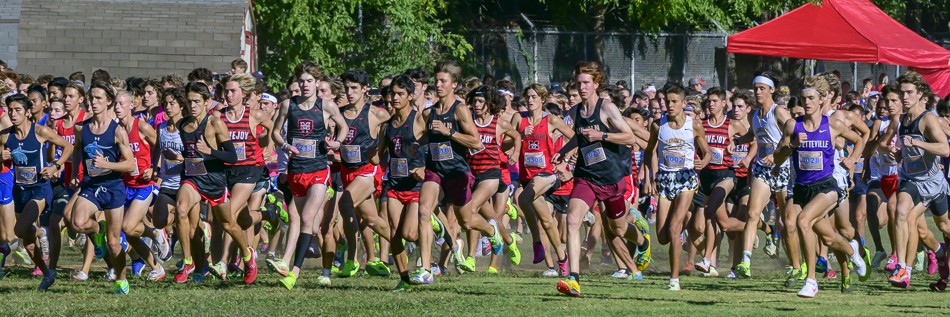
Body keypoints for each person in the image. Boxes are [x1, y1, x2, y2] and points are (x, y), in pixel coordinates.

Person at [772, 75, 868, 297]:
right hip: (802, 189)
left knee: (802, 221)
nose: (806, 103)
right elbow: (777, 157)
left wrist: (853, 159)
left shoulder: (833, 124)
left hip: (827, 187)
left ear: (822, 99)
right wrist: (793, 146)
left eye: (811, 98)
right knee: (829, 237)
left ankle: (811, 281)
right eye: (804, 98)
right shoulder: (792, 125)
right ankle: (852, 251)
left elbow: (860, 140)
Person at [551, 61, 637, 296]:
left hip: (611, 178)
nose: (581, 87)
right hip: (585, 176)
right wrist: (564, 151)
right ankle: (574, 279)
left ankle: (641, 239)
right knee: (572, 219)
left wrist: (603, 134)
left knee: (618, 229)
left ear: (596, 84)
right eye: (578, 83)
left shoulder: (607, 107)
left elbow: (629, 138)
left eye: (586, 83)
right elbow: (579, 137)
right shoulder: (576, 111)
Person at [416, 61, 503, 283]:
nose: (438, 85)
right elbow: (430, 136)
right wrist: (415, 143)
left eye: (443, 81)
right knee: (424, 211)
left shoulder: (461, 109)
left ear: (454, 84)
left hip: (457, 171)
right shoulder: (430, 112)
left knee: (466, 222)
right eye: (436, 81)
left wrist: (450, 133)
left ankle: (492, 233)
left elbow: (475, 141)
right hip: (435, 170)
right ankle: (426, 270)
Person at [269, 61, 348, 287]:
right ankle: (330, 245)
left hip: (318, 170)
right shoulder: (287, 105)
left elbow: (342, 127)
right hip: (296, 171)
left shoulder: (327, 106)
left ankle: (294, 271)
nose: (305, 85)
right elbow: (275, 132)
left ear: (317, 83)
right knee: (311, 225)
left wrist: (336, 143)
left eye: (309, 81)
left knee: (305, 218)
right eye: (301, 81)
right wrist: (285, 147)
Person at [172, 82, 257, 285]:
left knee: (228, 224)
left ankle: (247, 256)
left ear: (207, 102)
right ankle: (187, 261)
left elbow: (232, 156)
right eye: (189, 101)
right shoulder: (182, 125)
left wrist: (210, 151)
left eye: (197, 101)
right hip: (192, 178)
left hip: (215, 181)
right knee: (181, 209)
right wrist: (178, 156)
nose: (192, 105)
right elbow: (190, 153)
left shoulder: (215, 124)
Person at [878, 71, 950, 290]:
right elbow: (887, 144)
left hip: (934, 184)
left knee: (945, 228)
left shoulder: (927, 118)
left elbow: (944, 149)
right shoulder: (900, 120)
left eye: (909, 93)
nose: (904, 97)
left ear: (920, 94)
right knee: (900, 212)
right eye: (902, 93)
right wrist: (894, 153)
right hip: (911, 179)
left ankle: (942, 262)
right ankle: (902, 268)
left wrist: (918, 144)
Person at [69, 81, 138, 294]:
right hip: (91, 185)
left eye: (99, 98)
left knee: (115, 242)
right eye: (91, 97)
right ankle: (97, 230)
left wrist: (106, 164)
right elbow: (78, 150)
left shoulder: (117, 131)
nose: (93, 102)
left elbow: (130, 164)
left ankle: (122, 279)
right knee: (77, 223)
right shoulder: (81, 128)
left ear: (109, 101)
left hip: (113, 187)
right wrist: (74, 173)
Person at [1, 94, 73, 290]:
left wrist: (56, 166)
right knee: (27, 242)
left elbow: (68, 146)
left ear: (27, 112)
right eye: (10, 110)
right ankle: (47, 274)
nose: (13, 114)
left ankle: (41, 231)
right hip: (20, 189)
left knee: (18, 229)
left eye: (17, 110)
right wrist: (2, 156)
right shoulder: (5, 135)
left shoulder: (40, 131)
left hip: (40, 189)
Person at [207, 73, 273, 281]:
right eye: (226, 91)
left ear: (243, 94)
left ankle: (226, 263)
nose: (228, 95)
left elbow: (273, 128)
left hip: (249, 171)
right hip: (226, 171)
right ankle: (268, 215)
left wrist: (267, 146)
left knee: (230, 215)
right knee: (240, 219)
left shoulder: (255, 115)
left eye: (233, 91)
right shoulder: (218, 116)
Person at [734, 72, 796, 279]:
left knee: (787, 222)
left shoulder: (778, 112)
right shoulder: (754, 115)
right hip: (762, 168)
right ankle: (746, 262)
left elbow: (793, 134)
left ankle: (797, 265)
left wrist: (776, 155)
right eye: (755, 88)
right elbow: (753, 134)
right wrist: (736, 141)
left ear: (772, 90)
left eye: (762, 88)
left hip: (783, 169)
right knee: (752, 214)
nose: (758, 92)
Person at [334, 69, 392, 278]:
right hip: (346, 171)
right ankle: (397, 243)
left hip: (368, 171)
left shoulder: (377, 114)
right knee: (371, 220)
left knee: (345, 203)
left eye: (354, 88)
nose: (349, 92)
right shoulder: (338, 114)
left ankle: (352, 260)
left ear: (365, 89)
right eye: (347, 88)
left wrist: (384, 158)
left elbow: (395, 134)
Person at [513, 84, 573, 274]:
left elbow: (575, 139)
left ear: (542, 100)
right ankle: (563, 259)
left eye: (534, 97)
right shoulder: (518, 118)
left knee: (522, 198)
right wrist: (519, 137)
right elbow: (506, 142)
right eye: (528, 97)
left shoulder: (552, 120)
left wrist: (564, 159)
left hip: (547, 173)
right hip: (527, 176)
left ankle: (537, 242)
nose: (530, 100)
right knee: (546, 221)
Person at [378, 75, 427, 290]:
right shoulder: (386, 126)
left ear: (410, 95)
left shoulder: (418, 119)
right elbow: (378, 157)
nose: (395, 98)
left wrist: (425, 168)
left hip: (416, 186)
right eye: (393, 94)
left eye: (400, 94)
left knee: (410, 234)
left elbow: (434, 145)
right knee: (395, 233)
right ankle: (404, 278)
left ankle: (434, 223)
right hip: (394, 185)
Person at [465, 85, 521, 273]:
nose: (477, 105)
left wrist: (515, 153)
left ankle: (477, 258)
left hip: (491, 174)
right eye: (474, 101)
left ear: (489, 104)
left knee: (471, 209)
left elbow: (517, 135)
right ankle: (508, 240)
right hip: (472, 173)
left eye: (481, 101)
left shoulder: (499, 123)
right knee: (490, 217)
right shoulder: (468, 122)